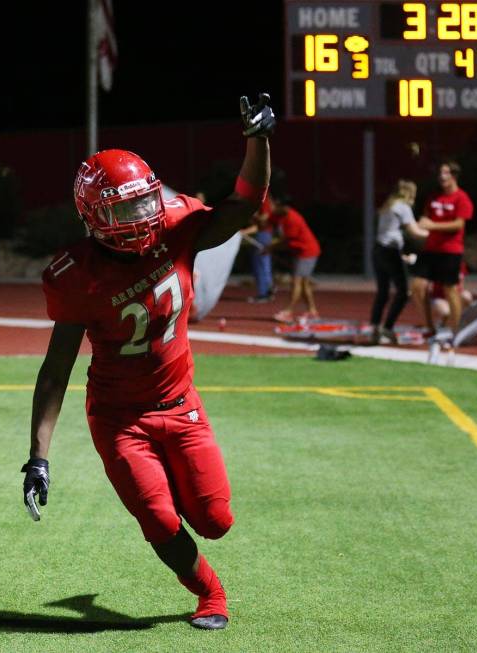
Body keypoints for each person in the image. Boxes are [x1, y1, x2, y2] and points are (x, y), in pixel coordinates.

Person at [20, 94, 276, 631]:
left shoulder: (177, 226)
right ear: (93, 216)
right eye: (123, 210)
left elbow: (244, 204)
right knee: (159, 518)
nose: (140, 218)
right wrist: (38, 457)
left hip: (180, 404)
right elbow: (55, 371)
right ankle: (210, 592)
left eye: (143, 203)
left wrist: (258, 140)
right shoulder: (76, 276)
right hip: (120, 420)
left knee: (216, 520)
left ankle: (177, 488)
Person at [410, 160, 474, 336]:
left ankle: (456, 330)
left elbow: (458, 225)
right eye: (440, 173)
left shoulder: (462, 198)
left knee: (450, 288)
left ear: (454, 176)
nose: (441, 177)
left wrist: (432, 226)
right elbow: (425, 220)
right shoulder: (433, 197)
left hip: (450, 250)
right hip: (431, 249)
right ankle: (429, 327)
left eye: (445, 173)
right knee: (417, 285)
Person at [369, 179, 428, 344]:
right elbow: (414, 231)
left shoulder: (388, 205)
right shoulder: (403, 207)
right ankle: (387, 328)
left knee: (383, 291)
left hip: (378, 249)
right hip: (390, 251)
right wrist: (433, 234)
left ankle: (374, 328)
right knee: (403, 291)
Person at [268, 193, 322, 322]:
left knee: (296, 282)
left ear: (284, 207)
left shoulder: (292, 219)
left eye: (275, 205)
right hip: (301, 252)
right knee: (304, 284)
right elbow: (266, 221)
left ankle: (288, 311)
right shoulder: (279, 215)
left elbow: (285, 241)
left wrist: (269, 248)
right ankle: (312, 311)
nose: (272, 207)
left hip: (307, 252)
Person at [239, 195, 275, 303]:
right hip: (265, 234)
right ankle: (268, 291)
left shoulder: (262, 200)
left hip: (262, 234)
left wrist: (253, 216)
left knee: (260, 265)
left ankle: (264, 293)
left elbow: (263, 219)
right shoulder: (265, 200)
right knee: (264, 264)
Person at [429, 261, 473, 330]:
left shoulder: (460, 264)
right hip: (440, 297)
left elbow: (461, 282)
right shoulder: (436, 264)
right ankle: (443, 324)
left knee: (466, 295)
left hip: (455, 295)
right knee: (446, 312)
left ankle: (463, 320)